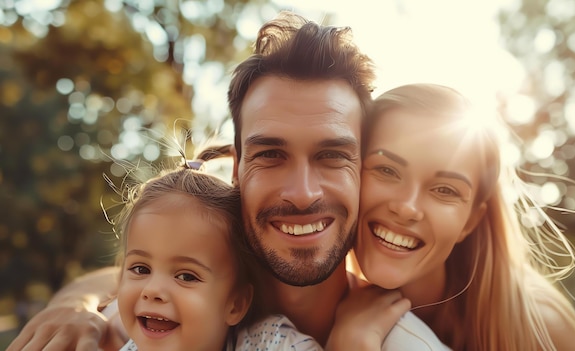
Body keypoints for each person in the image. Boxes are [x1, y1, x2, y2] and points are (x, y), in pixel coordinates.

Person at [7, 11, 413, 351]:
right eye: (270, 154)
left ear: (363, 172)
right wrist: (78, 302)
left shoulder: (404, 339)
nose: (302, 193)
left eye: (332, 156)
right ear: (236, 170)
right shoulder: (134, 327)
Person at [343, 83, 575, 350]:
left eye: (444, 190)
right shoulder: (313, 313)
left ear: (471, 221)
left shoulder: (540, 327)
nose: (407, 207)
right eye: (387, 170)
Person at [109, 147, 323, 351]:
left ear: (235, 304)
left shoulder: (274, 345)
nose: (152, 291)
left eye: (185, 276)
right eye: (140, 269)